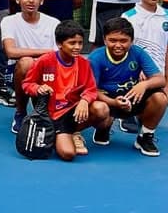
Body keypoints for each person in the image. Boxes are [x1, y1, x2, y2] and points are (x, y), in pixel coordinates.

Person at [20, 20, 110, 161]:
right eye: (72, 43)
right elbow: (27, 84)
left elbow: (91, 89)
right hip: (49, 114)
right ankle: (59, 134)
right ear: (59, 44)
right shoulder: (45, 60)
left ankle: (73, 131)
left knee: (102, 109)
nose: (77, 47)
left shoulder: (84, 63)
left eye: (80, 43)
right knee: (68, 154)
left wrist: (85, 101)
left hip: (70, 113)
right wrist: (38, 88)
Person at [88, 17, 167, 157]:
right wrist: (113, 102)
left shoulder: (138, 52)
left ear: (131, 40)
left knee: (160, 98)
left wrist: (144, 84)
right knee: (98, 109)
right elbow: (91, 89)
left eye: (123, 41)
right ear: (105, 40)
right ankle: (103, 127)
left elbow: (161, 79)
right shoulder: (96, 57)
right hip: (106, 100)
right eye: (113, 40)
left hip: (132, 98)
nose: (118, 45)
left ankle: (145, 137)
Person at [1, 0, 61, 134]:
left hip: (47, 70)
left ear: (41, 0)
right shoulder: (8, 21)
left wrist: (41, 59)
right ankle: (20, 112)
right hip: (18, 70)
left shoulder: (54, 23)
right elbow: (11, 52)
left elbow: (58, 56)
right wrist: (45, 52)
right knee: (26, 62)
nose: (31, 0)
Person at [123, 0, 168, 109]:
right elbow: (125, 50)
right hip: (134, 74)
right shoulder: (128, 17)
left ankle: (147, 129)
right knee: (131, 107)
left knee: (157, 104)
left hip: (157, 76)